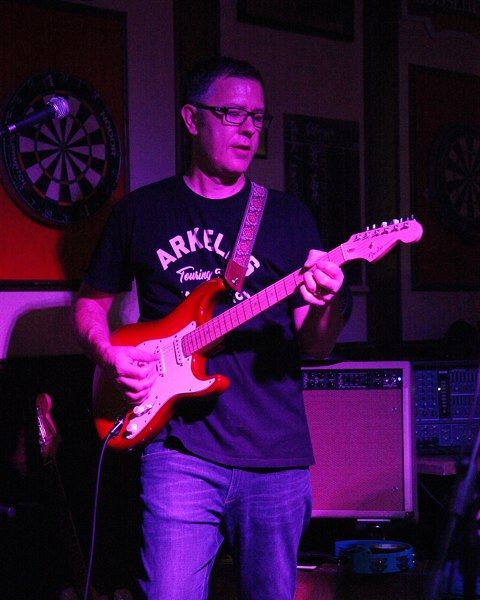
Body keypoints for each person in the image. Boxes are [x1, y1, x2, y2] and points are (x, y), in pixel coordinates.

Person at [73, 56, 346, 600]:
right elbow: (90, 305)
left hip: (275, 456)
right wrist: (109, 354)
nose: (248, 129)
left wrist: (324, 301)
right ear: (192, 119)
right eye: (232, 114)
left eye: (258, 118)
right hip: (178, 451)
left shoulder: (289, 217)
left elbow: (315, 344)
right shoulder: (141, 211)